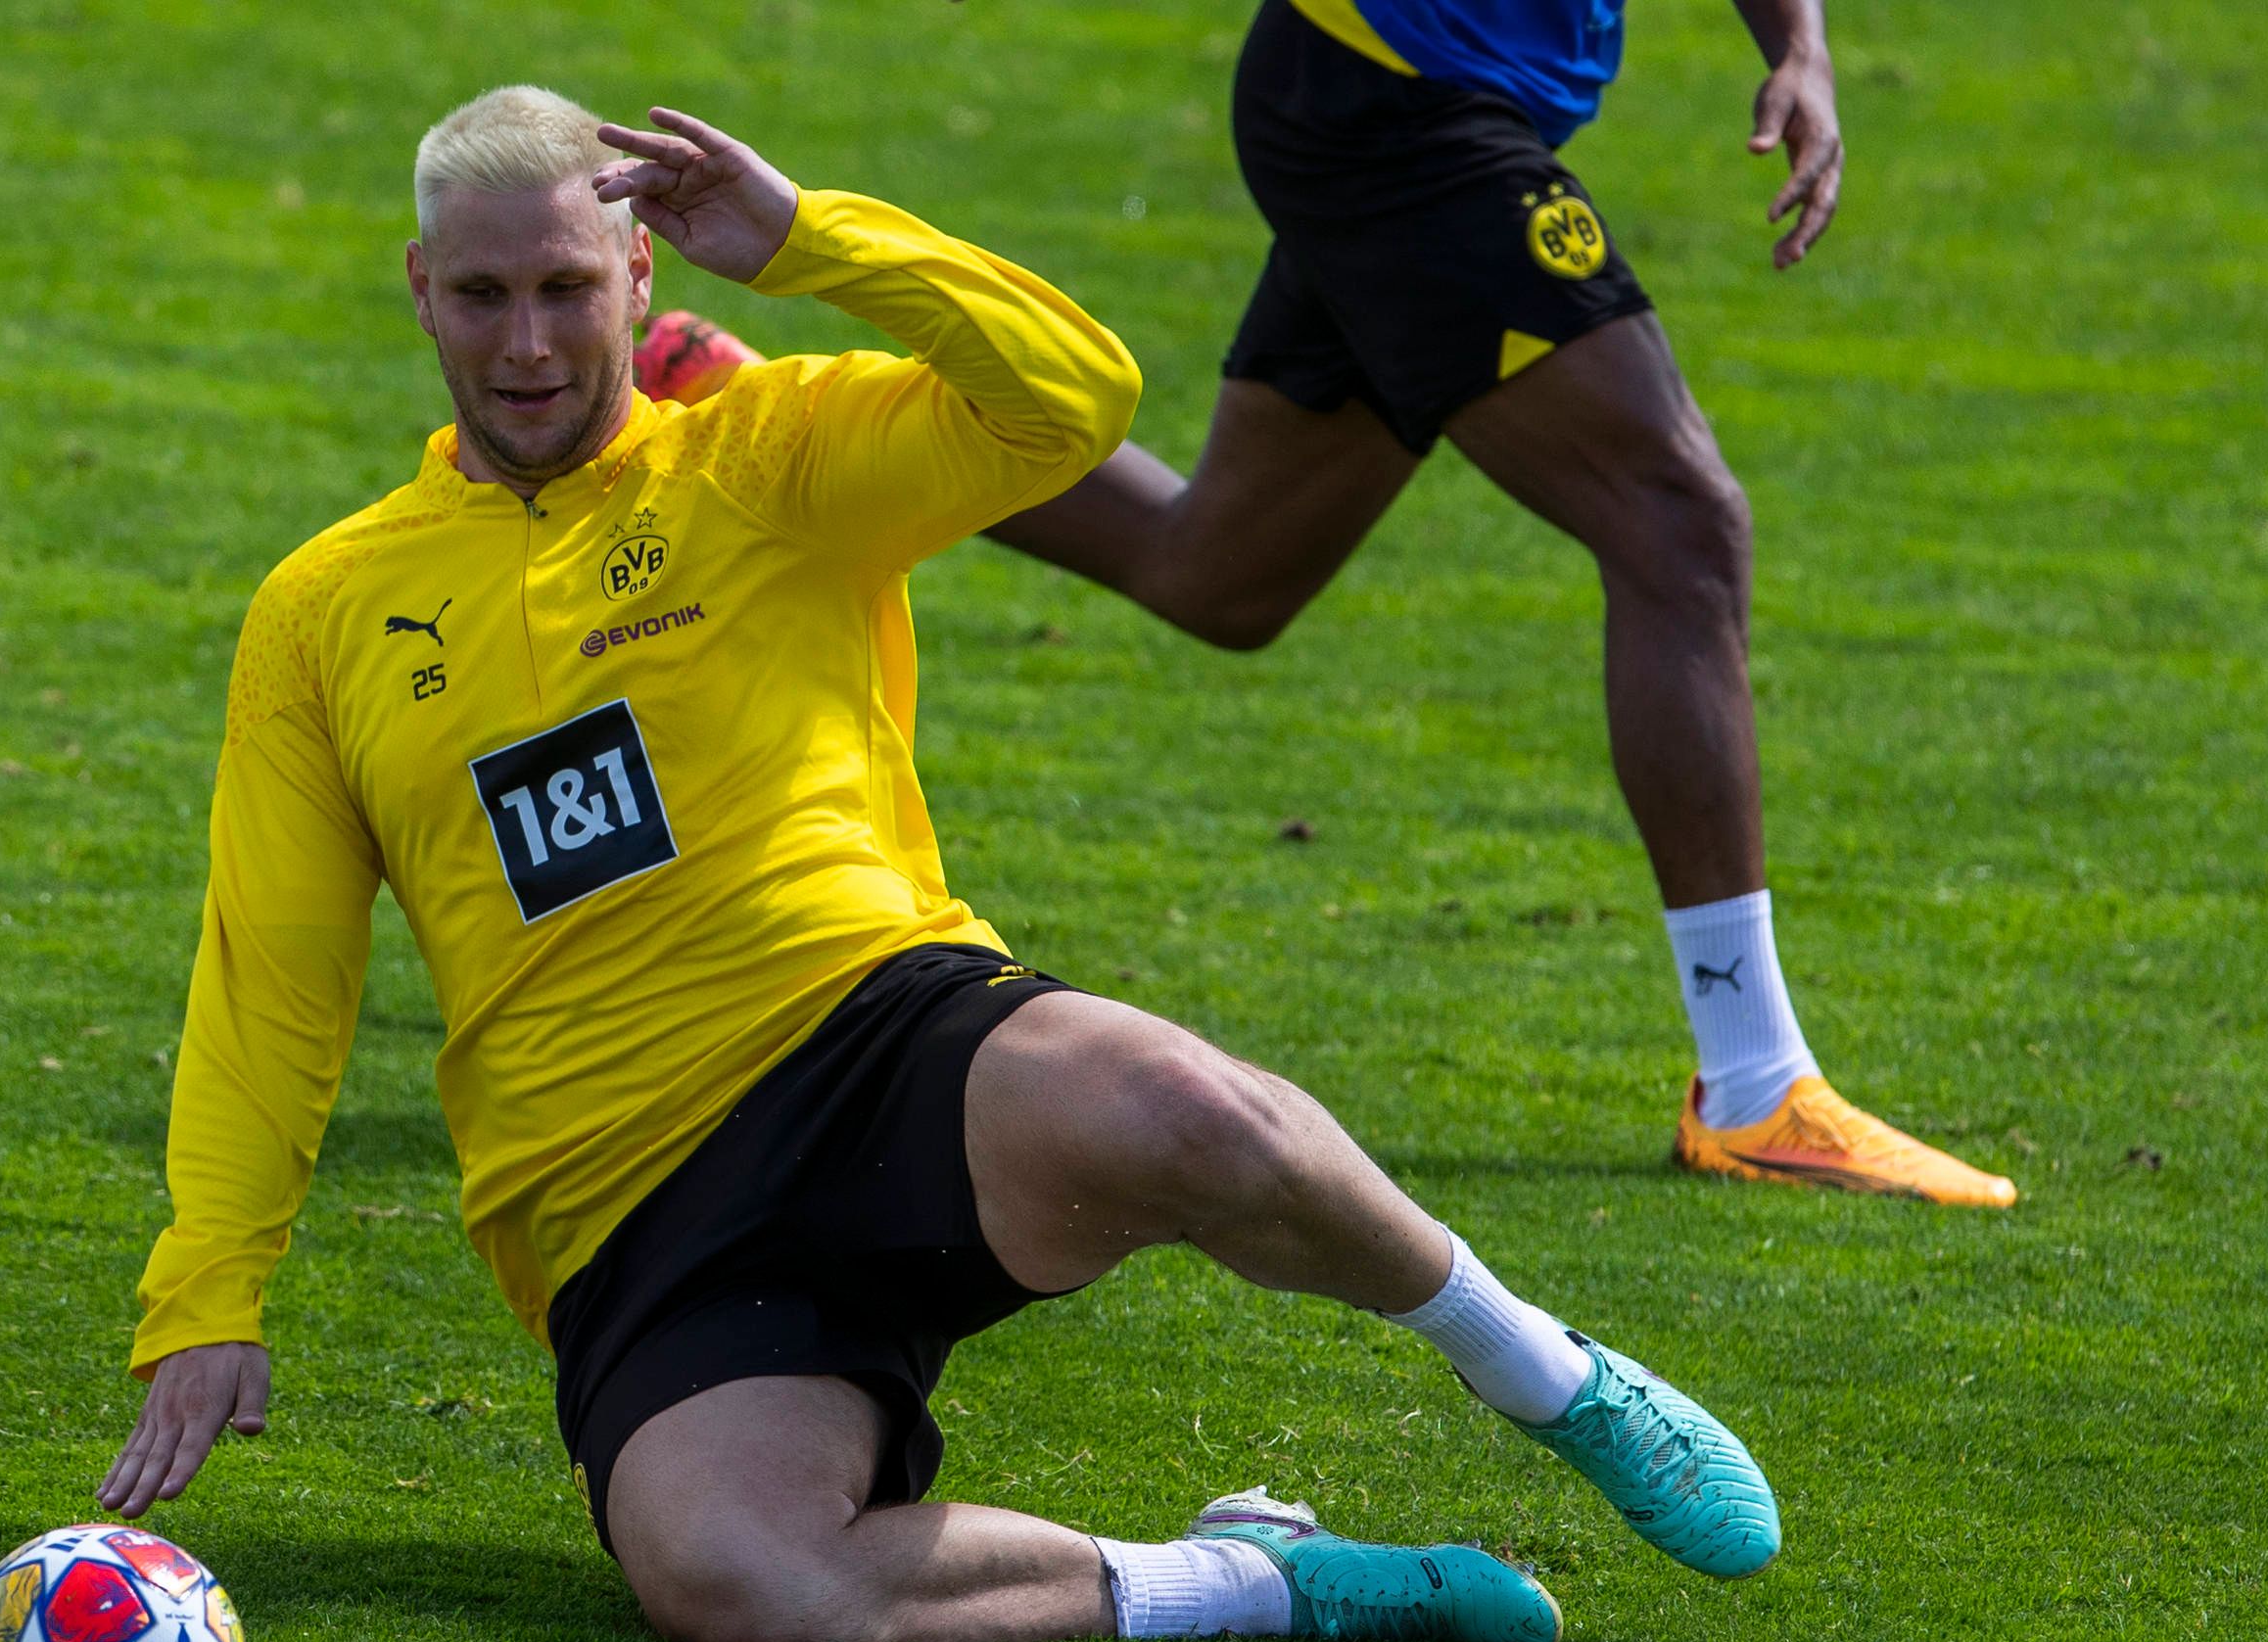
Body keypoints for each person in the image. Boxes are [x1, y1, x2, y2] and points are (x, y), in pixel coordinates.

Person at [96, 86, 1778, 1642]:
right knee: (742, 1579)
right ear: (418, 291)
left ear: (638, 265)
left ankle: (1551, 1379)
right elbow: (275, 972)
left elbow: (1073, 398)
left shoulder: (764, 455)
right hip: (620, 1205)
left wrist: (813, 237)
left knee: (1205, 1120)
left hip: (878, 1040)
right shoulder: (324, 613)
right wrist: (210, 1292)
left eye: (562, 286)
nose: (526, 343)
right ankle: (1259, 1578)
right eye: (480, 296)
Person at [637, 0, 2019, 1209]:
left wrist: (1801, 49)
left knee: (1222, 574)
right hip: (1398, 109)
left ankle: (755, 419)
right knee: (1682, 528)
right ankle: (1756, 1086)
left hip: (1393, 106)